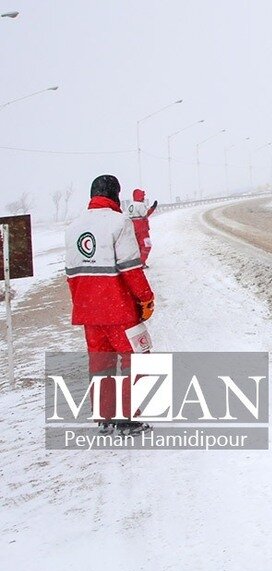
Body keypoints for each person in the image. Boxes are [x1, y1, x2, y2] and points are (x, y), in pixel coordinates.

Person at [64, 175, 155, 432]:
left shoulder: (73, 227)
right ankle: (127, 419)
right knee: (136, 359)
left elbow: (71, 275)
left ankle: (105, 417)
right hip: (119, 309)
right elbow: (130, 269)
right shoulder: (119, 222)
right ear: (115, 194)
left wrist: (84, 304)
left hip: (89, 311)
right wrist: (146, 297)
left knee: (100, 363)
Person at [126, 188, 157, 266]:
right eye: (143, 196)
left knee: (138, 247)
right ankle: (141, 263)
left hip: (132, 228)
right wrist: (152, 208)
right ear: (140, 196)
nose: (143, 198)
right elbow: (145, 214)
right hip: (141, 228)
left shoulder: (130, 205)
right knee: (147, 245)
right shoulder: (140, 205)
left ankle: (137, 263)